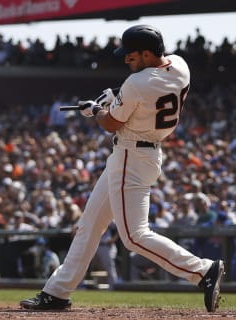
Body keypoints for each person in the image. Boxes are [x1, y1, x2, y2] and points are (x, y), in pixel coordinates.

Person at [20, 25, 224, 313]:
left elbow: (110, 123)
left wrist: (96, 110)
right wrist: (114, 99)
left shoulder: (136, 83)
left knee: (133, 236)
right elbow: (148, 89)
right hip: (143, 152)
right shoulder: (179, 64)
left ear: (147, 53)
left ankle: (202, 270)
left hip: (132, 155)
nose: (126, 59)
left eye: (131, 55)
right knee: (89, 226)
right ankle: (57, 292)